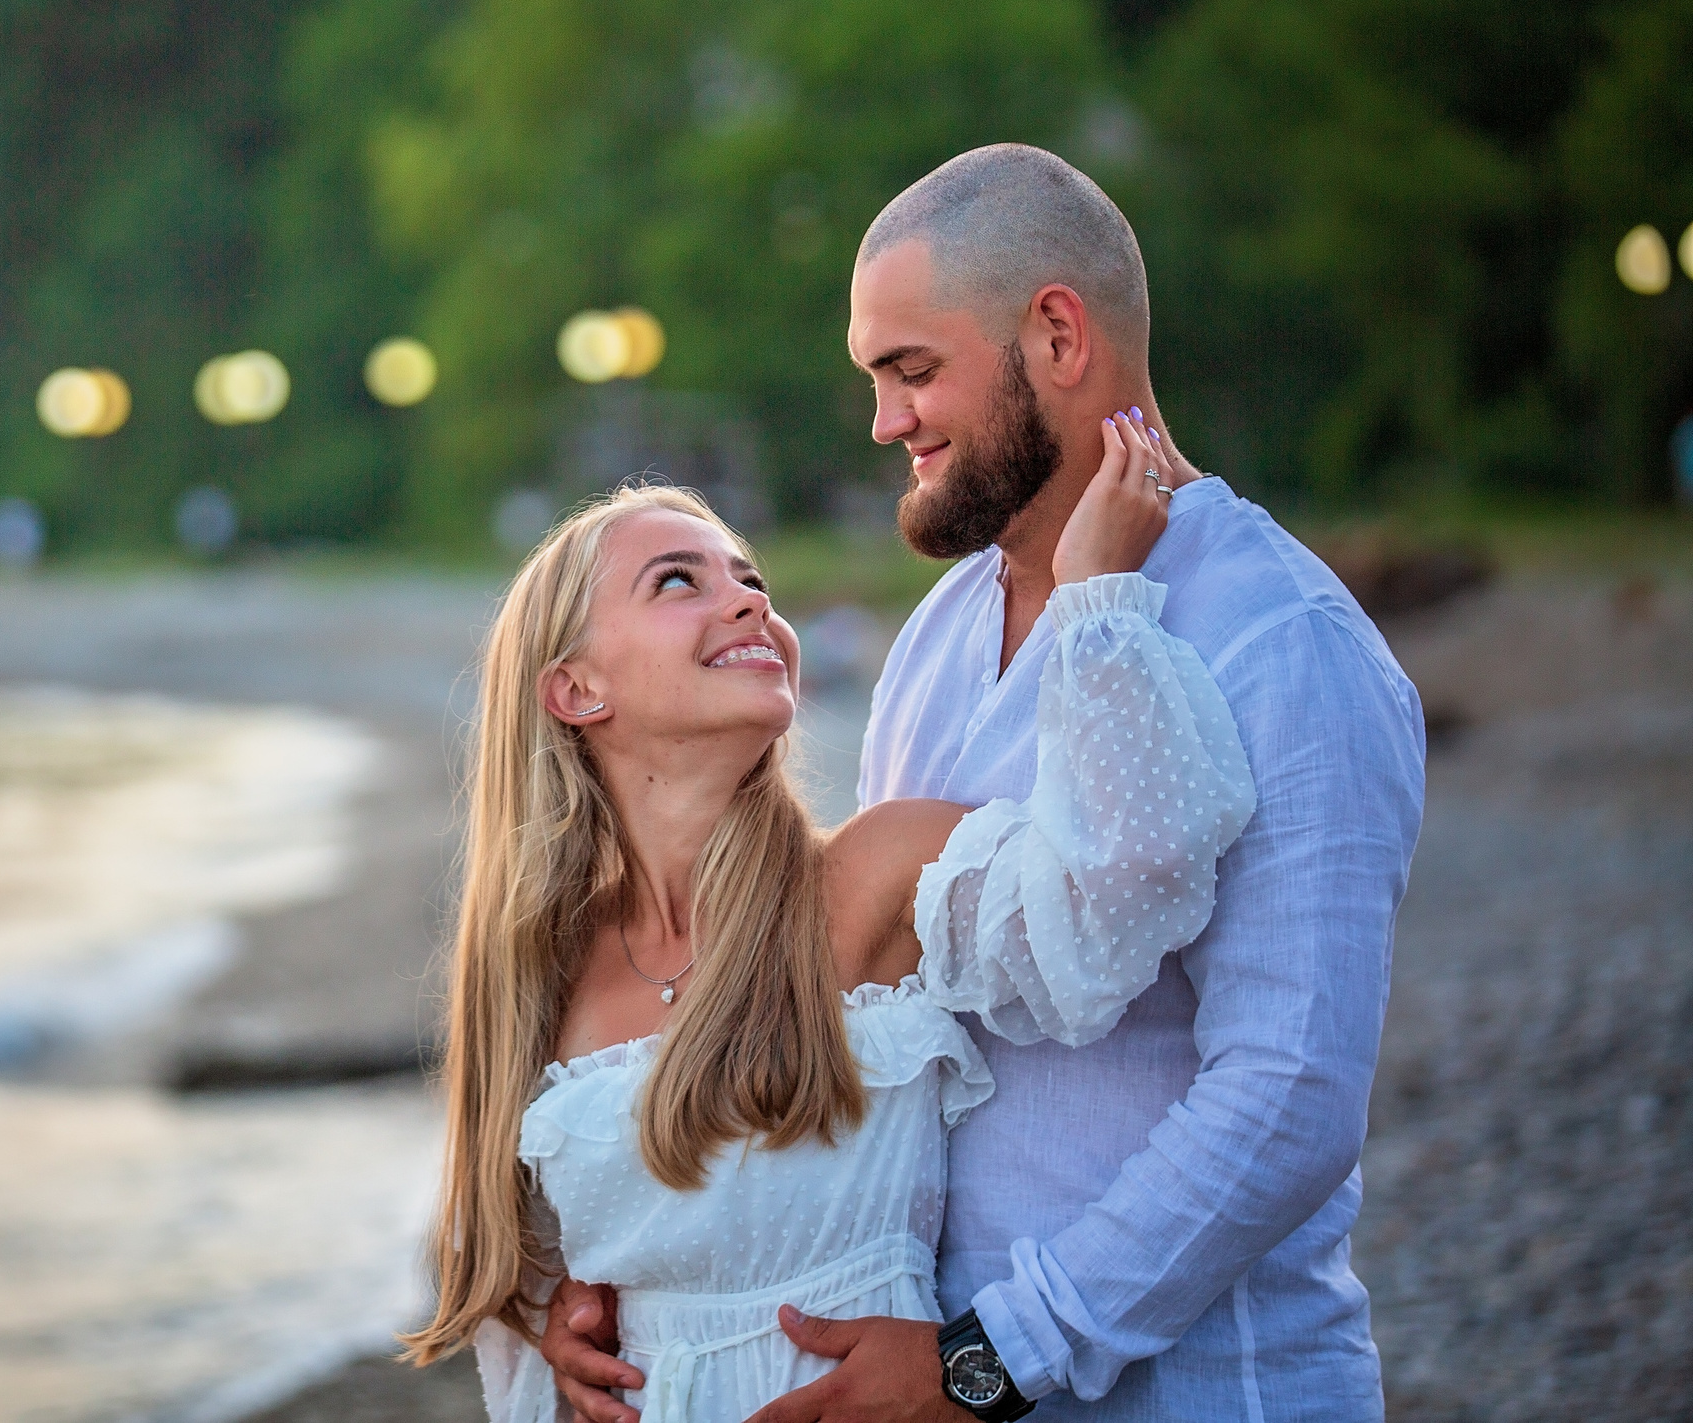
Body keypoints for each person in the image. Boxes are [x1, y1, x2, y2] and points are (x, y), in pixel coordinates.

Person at [534, 144, 1426, 1420]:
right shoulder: (942, 637)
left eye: (912, 370)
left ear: (1056, 335)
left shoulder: (1279, 645)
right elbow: (869, 1041)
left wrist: (984, 1362)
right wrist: (612, 1286)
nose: (887, 421)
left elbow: (1288, 1102)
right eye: (876, 379)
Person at [405, 397, 1257, 1420]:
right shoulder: (544, 966)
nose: (749, 603)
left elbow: (1135, 880)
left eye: (753, 582)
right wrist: (547, 1319)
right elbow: (505, 1252)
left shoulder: (873, 879)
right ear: (576, 689)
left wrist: (1100, 599)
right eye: (680, 581)